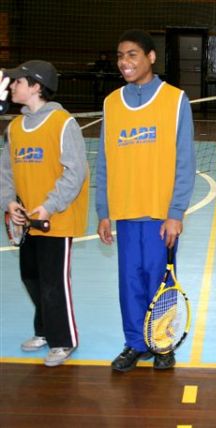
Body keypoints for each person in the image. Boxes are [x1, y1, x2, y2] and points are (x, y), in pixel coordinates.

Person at [95, 29, 196, 372]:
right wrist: (103, 211)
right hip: (125, 213)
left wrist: (176, 212)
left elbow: (185, 162)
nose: (124, 62)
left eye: (132, 54)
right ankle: (136, 344)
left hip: (160, 215)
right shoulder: (111, 103)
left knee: (161, 282)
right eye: (120, 56)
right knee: (130, 283)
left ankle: (162, 342)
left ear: (151, 57)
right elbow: (104, 161)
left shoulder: (175, 100)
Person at [0, 60, 89, 367]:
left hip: (56, 220)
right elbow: (6, 171)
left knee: (54, 282)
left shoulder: (63, 123)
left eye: (18, 81)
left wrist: (49, 205)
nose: (12, 86)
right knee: (31, 277)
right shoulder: (14, 128)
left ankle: (64, 339)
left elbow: (75, 172)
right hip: (27, 221)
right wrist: (9, 202)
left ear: (36, 86)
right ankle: (44, 330)